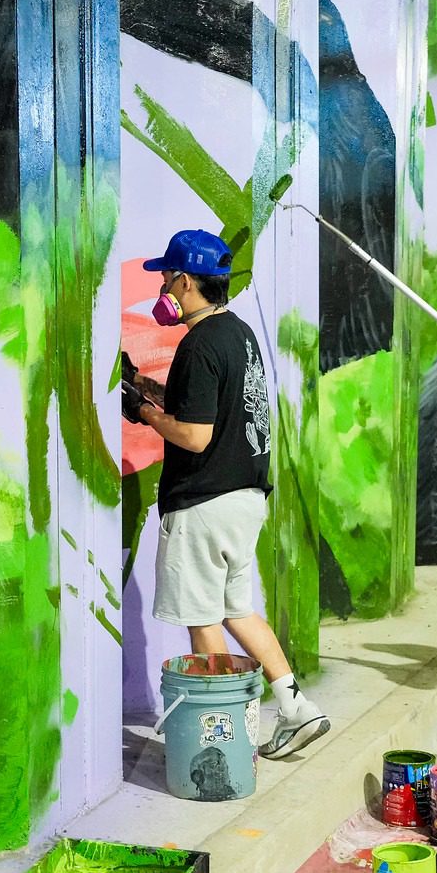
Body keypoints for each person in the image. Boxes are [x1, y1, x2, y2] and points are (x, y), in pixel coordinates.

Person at [122, 228, 331, 759]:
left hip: (203, 503)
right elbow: (208, 406)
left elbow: (194, 433)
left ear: (185, 282)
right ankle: (296, 707)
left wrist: (142, 414)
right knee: (239, 610)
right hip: (244, 500)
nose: (163, 287)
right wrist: (147, 389)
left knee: (203, 620)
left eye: (168, 277)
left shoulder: (196, 343)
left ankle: (227, 738)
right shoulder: (236, 334)